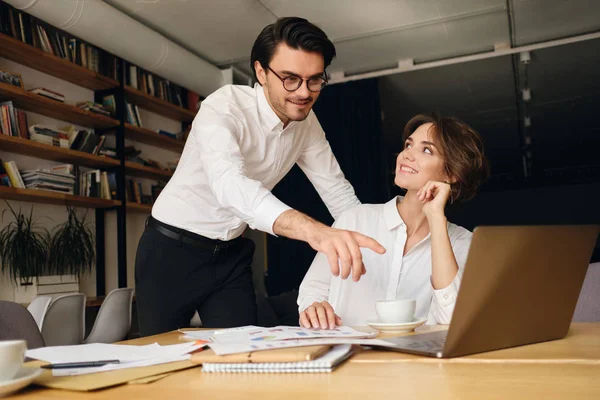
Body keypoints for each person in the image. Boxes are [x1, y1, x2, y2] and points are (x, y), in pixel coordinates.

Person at [134, 17, 385, 336]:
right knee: (160, 359)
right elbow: (231, 187)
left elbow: (338, 193)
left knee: (242, 353)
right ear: (261, 72)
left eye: (315, 80)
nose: (304, 93)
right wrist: (314, 232)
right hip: (170, 250)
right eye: (291, 79)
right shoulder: (223, 109)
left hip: (230, 256)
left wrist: (378, 245)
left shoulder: (307, 125)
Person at [298, 113, 490, 329]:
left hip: (415, 361)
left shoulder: (464, 243)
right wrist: (314, 306)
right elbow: (312, 288)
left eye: (426, 150)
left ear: (451, 173)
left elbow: (452, 321)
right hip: (348, 355)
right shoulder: (355, 219)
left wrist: (436, 219)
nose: (407, 155)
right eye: (408, 145)